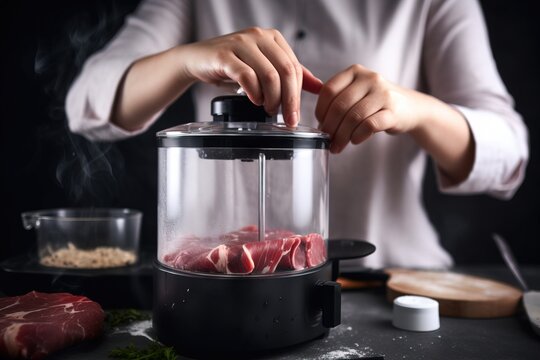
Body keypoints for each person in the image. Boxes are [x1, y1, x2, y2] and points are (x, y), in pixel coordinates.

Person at [66, 0, 528, 269]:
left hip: (390, 275)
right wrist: (184, 61)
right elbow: (85, 102)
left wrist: (415, 109)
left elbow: (508, 154)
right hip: (221, 275)